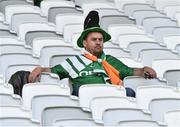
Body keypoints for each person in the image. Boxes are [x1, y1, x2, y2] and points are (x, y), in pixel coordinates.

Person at [9, 11, 157, 97]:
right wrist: (40, 69)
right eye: (94, 39)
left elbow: (130, 71)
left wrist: (143, 69)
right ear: (85, 43)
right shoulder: (74, 62)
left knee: (130, 92)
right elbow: (53, 71)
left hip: (112, 96)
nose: (98, 42)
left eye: (100, 39)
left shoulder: (111, 60)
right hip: (87, 100)